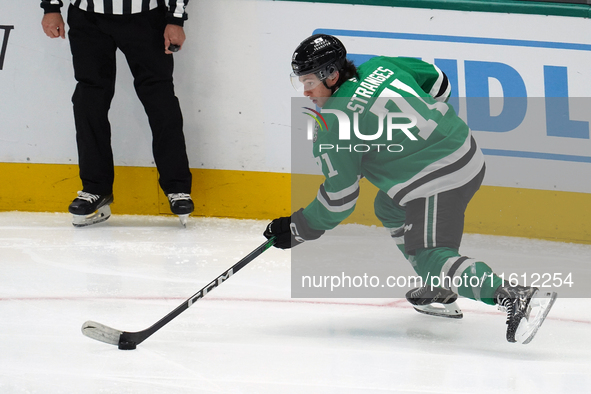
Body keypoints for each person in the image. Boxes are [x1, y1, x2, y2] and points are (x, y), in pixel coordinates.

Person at [263, 34, 557, 344]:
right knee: (388, 206)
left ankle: (512, 295)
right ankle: (438, 287)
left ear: (332, 75)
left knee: (431, 255)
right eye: (301, 83)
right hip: (466, 151)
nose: (306, 92)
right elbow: (440, 84)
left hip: (438, 180)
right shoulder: (381, 66)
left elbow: (340, 200)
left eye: (309, 82)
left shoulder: (335, 124)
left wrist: (298, 228)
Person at [40, 0, 194, 227]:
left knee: (160, 100)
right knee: (89, 101)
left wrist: (175, 18)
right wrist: (51, 7)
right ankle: (94, 188)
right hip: (87, 16)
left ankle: (177, 187)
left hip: (146, 16)